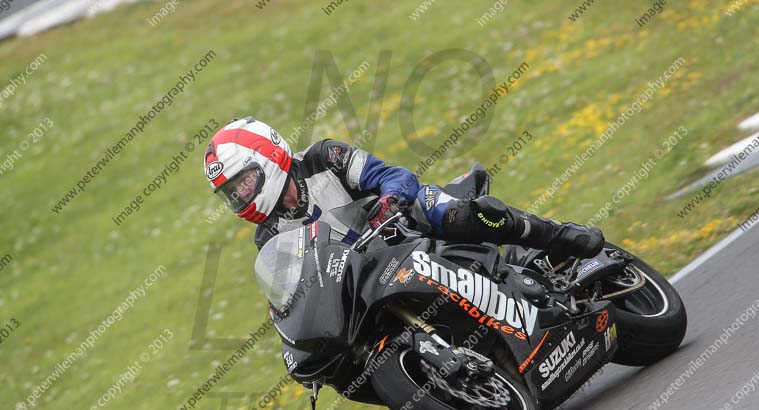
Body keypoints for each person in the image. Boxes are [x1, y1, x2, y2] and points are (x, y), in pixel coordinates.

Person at [204, 117, 604, 261]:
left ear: (271, 156)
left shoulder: (325, 158)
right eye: (232, 193)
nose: (241, 195)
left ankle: (561, 235)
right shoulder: (268, 236)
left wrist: (389, 203)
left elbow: (395, 176)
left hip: (409, 222)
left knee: (465, 216)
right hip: (371, 272)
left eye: (244, 181)